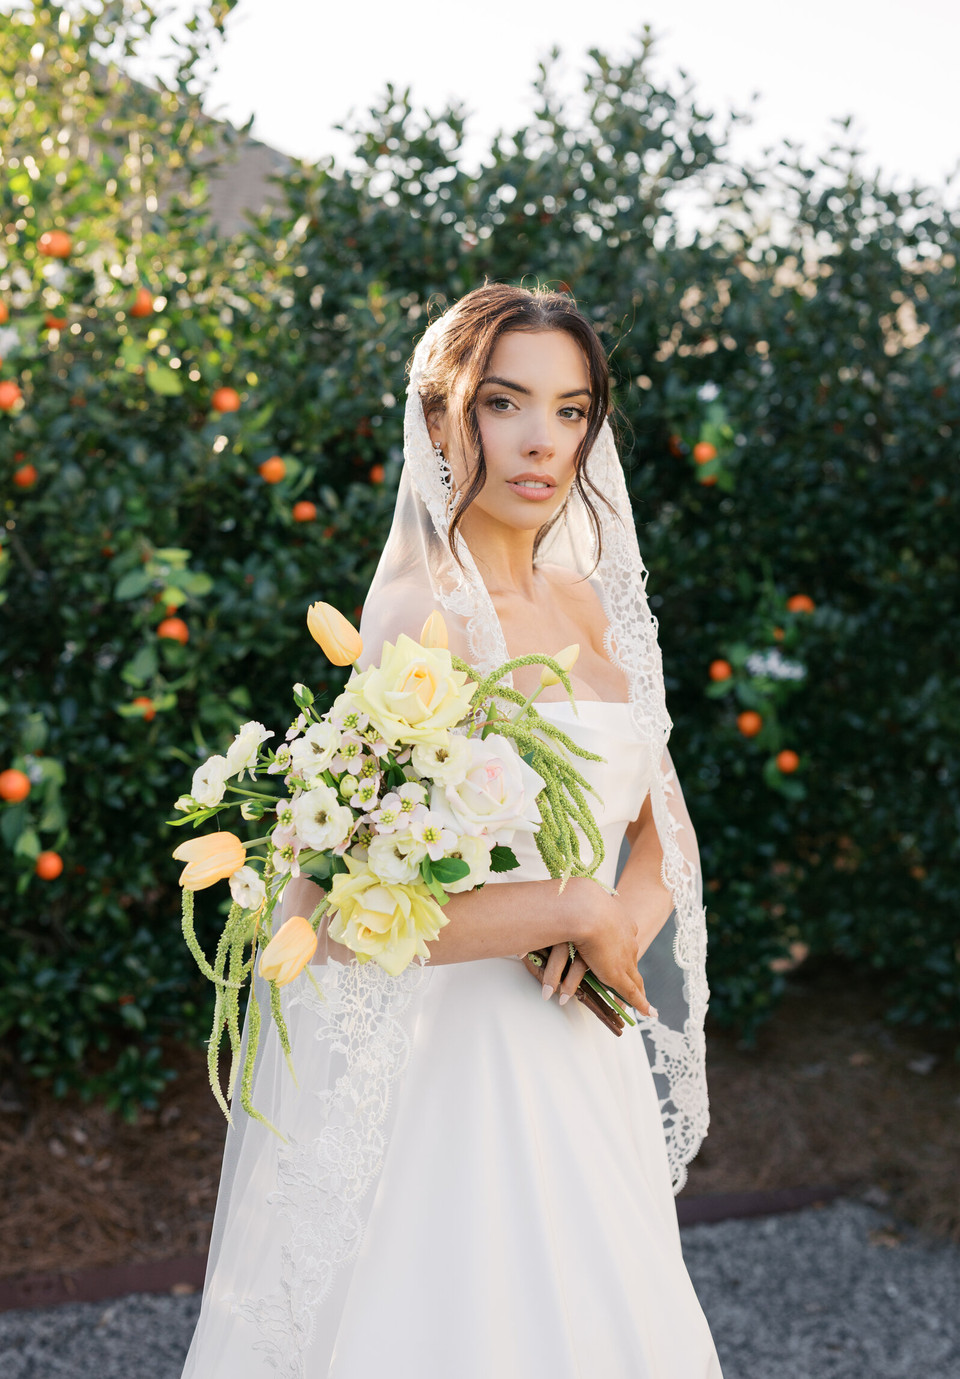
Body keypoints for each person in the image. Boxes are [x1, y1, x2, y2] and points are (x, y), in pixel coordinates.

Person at [180, 281, 723, 1378]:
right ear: (442, 419)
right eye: (505, 404)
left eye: (572, 410)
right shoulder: (416, 615)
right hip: (463, 1059)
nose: (542, 441)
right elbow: (330, 913)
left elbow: (664, 823)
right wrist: (569, 905)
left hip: (584, 1034)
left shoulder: (597, 606)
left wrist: (614, 926)